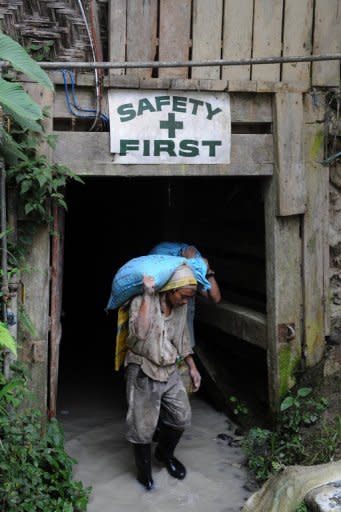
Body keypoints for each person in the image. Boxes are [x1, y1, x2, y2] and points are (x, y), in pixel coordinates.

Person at [125, 264, 201, 490]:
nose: (185, 301)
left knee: (181, 417)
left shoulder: (181, 308)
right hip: (143, 368)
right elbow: (139, 332)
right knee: (143, 427)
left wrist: (193, 367)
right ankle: (144, 474)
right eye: (183, 296)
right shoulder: (141, 302)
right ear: (170, 290)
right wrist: (148, 295)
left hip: (169, 369)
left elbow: (183, 338)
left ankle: (164, 455)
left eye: (189, 298)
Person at [149, 242, 221, 347]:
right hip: (160, 328)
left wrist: (208, 271)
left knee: (184, 348)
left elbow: (215, 298)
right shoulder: (161, 259)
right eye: (184, 296)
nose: (185, 300)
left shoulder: (194, 268)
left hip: (183, 329)